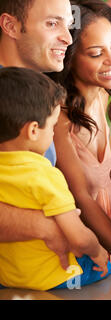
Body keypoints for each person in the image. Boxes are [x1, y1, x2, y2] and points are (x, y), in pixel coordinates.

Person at [0, 67, 111, 290]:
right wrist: (98, 251)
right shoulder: (45, 175)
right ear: (33, 130)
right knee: (108, 271)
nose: (53, 134)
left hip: (8, 280)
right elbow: (79, 238)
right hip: (57, 278)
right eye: (52, 126)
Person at [48, 0, 111, 268]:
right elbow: (80, 195)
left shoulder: (106, 100)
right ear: (69, 59)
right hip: (77, 262)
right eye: (96, 53)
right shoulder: (57, 117)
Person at [0, 0, 73, 270]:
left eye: (68, 25)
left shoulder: (44, 98)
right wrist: (49, 227)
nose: (67, 37)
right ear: (11, 25)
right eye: (52, 23)